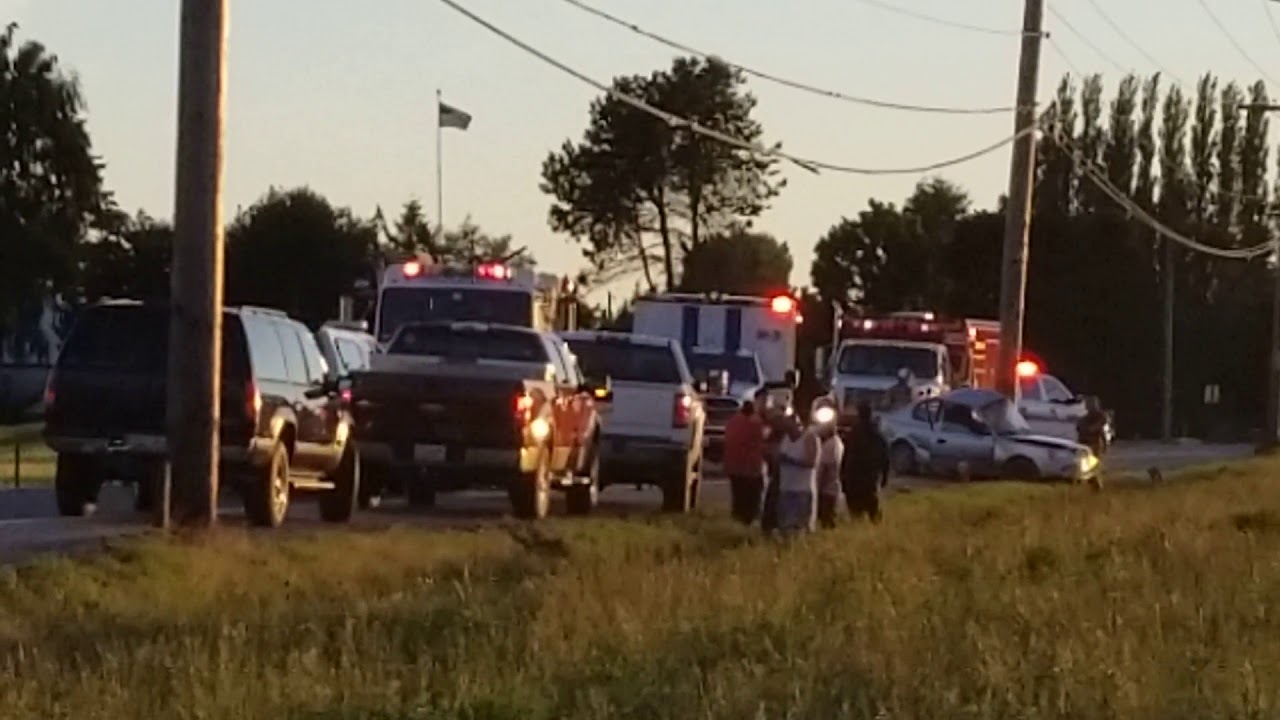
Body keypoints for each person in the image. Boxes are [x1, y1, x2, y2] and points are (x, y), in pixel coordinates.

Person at [841, 400, 890, 522]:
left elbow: (846, 455)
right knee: (872, 509)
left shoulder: (855, 433)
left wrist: (842, 475)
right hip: (867, 477)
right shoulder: (875, 434)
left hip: (856, 476)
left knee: (858, 511)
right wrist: (884, 476)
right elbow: (885, 457)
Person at [723, 399, 766, 524]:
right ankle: (748, 520)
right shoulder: (756, 425)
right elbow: (762, 441)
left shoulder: (732, 422)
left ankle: (737, 520)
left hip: (733, 466)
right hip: (751, 469)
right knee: (752, 498)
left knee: (738, 497)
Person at [775, 415, 819, 536]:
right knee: (785, 528)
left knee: (801, 529)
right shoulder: (785, 438)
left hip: (802, 490)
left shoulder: (809, 438)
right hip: (786, 488)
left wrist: (790, 460)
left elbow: (811, 462)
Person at [757, 389, 789, 532]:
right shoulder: (760, 420)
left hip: (775, 467)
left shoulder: (773, 421)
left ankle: (771, 523)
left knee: (774, 493)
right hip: (766, 465)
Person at [813, 399, 844, 528]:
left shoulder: (832, 444)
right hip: (823, 490)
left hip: (826, 492)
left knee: (826, 522)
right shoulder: (821, 439)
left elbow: (824, 470)